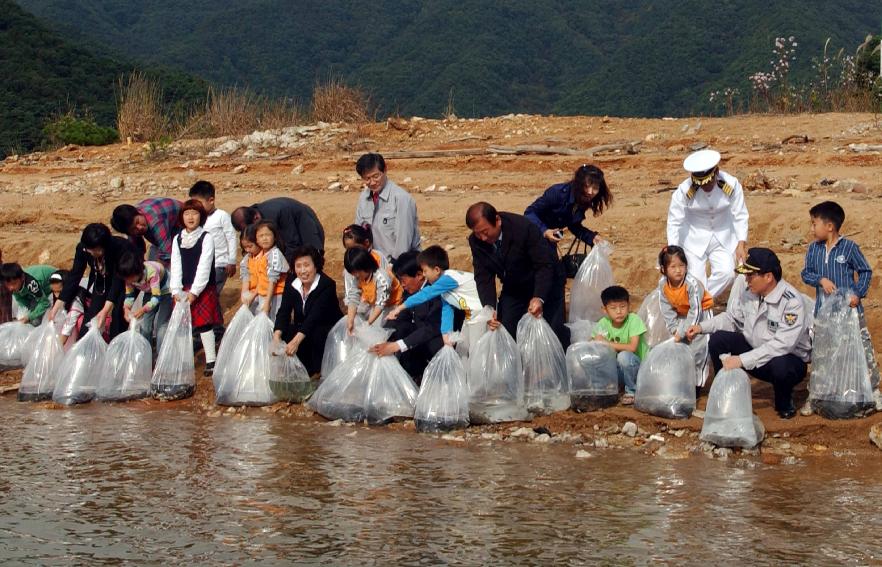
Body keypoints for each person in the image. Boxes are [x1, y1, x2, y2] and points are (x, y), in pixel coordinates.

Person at [686, 248, 812, 419]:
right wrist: (702, 327)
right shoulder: (750, 293)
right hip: (755, 350)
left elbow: (782, 345)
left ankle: (784, 401)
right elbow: (733, 319)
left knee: (781, 366)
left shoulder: (791, 302)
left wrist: (741, 360)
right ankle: (725, 390)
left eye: (750, 276)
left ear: (768, 277)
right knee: (718, 339)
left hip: (785, 359)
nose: (746, 280)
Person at [800, 200, 879, 413]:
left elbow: (865, 271)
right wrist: (821, 280)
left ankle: (872, 392)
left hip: (849, 312)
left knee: (860, 351)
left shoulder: (849, 248)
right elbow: (805, 273)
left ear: (829, 226)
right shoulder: (813, 250)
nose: (812, 228)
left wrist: (857, 294)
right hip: (823, 314)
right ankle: (817, 395)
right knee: (823, 354)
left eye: (814, 223)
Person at [525, 164, 612, 322]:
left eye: (595, 187)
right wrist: (545, 230)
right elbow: (529, 213)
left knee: (557, 279)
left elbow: (573, 225)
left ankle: (555, 322)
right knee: (551, 276)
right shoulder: (557, 193)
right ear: (579, 183)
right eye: (588, 186)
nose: (591, 192)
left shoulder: (583, 199)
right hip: (534, 239)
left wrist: (591, 237)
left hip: (550, 240)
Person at [466, 201, 557, 341]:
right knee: (506, 329)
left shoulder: (523, 228)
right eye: (478, 234)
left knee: (552, 333)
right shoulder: (476, 241)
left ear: (497, 220)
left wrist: (539, 297)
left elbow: (544, 265)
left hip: (544, 283)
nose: (483, 238)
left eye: (485, 232)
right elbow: (483, 277)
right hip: (513, 286)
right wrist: (489, 308)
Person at [667, 149, 749, 298]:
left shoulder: (731, 184)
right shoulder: (684, 191)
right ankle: (698, 307)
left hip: (723, 237)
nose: (706, 187)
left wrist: (741, 243)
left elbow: (740, 215)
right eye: (701, 184)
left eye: (709, 182)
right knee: (695, 280)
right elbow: (674, 221)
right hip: (693, 238)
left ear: (716, 172)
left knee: (728, 274)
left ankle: (699, 301)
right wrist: (673, 251)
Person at [48, 223, 132, 340]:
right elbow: (75, 275)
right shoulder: (83, 248)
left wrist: (105, 310)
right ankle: (83, 347)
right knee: (92, 315)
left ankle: (114, 347)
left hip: (123, 282)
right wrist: (57, 306)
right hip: (100, 282)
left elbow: (117, 281)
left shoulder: (120, 247)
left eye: (96, 250)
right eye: (89, 250)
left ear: (104, 246)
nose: (91, 253)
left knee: (117, 315)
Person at [371, 251, 445, 382]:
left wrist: (397, 345)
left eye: (403, 280)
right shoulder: (410, 290)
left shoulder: (437, 291)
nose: (402, 285)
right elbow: (403, 315)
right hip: (419, 335)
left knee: (431, 344)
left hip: (438, 338)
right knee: (398, 328)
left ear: (419, 275)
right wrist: (386, 336)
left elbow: (431, 328)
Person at [170, 200, 223, 377]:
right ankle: (184, 361)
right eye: (187, 213)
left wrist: (194, 292)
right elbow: (175, 264)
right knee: (182, 325)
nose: (190, 217)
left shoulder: (206, 237)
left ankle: (211, 360)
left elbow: (205, 266)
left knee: (204, 325)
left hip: (202, 287)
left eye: (194, 213)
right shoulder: (178, 238)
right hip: (182, 288)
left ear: (201, 216)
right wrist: (176, 291)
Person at [386, 245, 482, 343]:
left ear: (436, 270)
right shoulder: (444, 289)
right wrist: (446, 337)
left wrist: (399, 308)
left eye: (425, 271)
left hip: (481, 314)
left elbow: (425, 294)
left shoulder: (447, 279)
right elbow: (447, 311)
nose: (424, 275)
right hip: (473, 315)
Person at [273, 246, 342, 376]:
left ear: (316, 266)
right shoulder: (291, 282)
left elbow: (314, 317)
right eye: (298, 266)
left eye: (306, 265)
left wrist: (296, 341)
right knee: (287, 332)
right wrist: (277, 337)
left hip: (325, 328)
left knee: (315, 334)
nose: (303, 271)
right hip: (304, 327)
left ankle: (317, 372)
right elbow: (284, 311)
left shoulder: (326, 285)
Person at [656, 245, 714, 389]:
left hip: (701, 316)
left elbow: (696, 311)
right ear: (663, 269)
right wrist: (675, 329)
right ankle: (683, 380)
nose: (678, 270)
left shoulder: (692, 284)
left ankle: (697, 385)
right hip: (682, 315)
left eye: (682, 266)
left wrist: (684, 332)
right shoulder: (663, 285)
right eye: (673, 267)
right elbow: (666, 309)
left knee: (698, 349)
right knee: (681, 349)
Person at [354, 153, 420, 262]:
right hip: (376, 265)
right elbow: (358, 233)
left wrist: (393, 270)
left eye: (376, 176)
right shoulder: (364, 198)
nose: (372, 182)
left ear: (385, 170)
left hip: (401, 266)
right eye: (367, 178)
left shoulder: (402, 199)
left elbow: (403, 243)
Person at [593, 285, 649, 405]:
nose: (619, 311)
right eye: (613, 308)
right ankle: (609, 387)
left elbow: (632, 347)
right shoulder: (603, 323)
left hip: (637, 369)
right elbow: (592, 345)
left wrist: (606, 343)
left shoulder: (634, 320)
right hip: (618, 371)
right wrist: (595, 342)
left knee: (624, 356)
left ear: (629, 306)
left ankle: (632, 391)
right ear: (604, 310)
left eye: (623, 307)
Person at [188, 181, 238, 296]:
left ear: (211, 200)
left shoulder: (222, 216)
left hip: (219, 264)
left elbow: (231, 238)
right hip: (202, 264)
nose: (196, 206)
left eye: (199, 203)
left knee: (211, 294)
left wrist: (232, 261)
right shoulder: (196, 219)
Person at [117, 250, 172, 352]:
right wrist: (126, 309)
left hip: (165, 291)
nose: (129, 281)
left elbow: (156, 297)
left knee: (161, 327)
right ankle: (147, 354)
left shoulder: (151, 272)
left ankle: (160, 356)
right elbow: (129, 295)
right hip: (149, 291)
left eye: (131, 278)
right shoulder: (129, 278)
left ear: (138, 271)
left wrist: (142, 310)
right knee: (145, 326)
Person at [231, 197, 324, 256]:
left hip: (306, 230)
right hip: (290, 236)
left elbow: (292, 243)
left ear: (256, 217)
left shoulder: (278, 213)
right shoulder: (252, 214)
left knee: (311, 262)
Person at [343, 246, 403, 333]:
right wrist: (350, 320)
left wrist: (368, 323)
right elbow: (354, 296)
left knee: (379, 331)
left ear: (365, 265)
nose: (355, 275)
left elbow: (381, 303)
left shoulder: (382, 277)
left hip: (393, 306)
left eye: (356, 272)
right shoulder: (359, 277)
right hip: (375, 305)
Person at [111, 198, 182, 267]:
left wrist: (153, 272)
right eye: (133, 229)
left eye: (138, 221)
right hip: (166, 228)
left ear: (138, 212)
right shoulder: (130, 221)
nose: (140, 227)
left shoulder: (155, 219)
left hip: (182, 225)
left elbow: (166, 254)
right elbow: (136, 248)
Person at [341, 224, 389, 316]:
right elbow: (351, 294)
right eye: (348, 249)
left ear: (366, 243)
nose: (352, 253)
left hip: (383, 306)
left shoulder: (379, 257)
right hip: (361, 310)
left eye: (355, 248)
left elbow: (386, 284)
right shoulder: (350, 269)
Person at [248, 221, 289, 319]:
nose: (265, 238)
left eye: (268, 235)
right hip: (264, 296)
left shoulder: (275, 254)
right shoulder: (261, 255)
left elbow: (272, 281)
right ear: (256, 240)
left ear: (274, 237)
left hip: (275, 296)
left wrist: (267, 303)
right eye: (261, 236)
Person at [238, 225, 262, 314]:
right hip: (252, 296)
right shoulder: (246, 260)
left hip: (263, 294)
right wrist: (244, 294)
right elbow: (246, 278)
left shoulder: (265, 258)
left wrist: (253, 295)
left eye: (250, 246)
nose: (247, 250)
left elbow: (264, 280)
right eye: (245, 247)